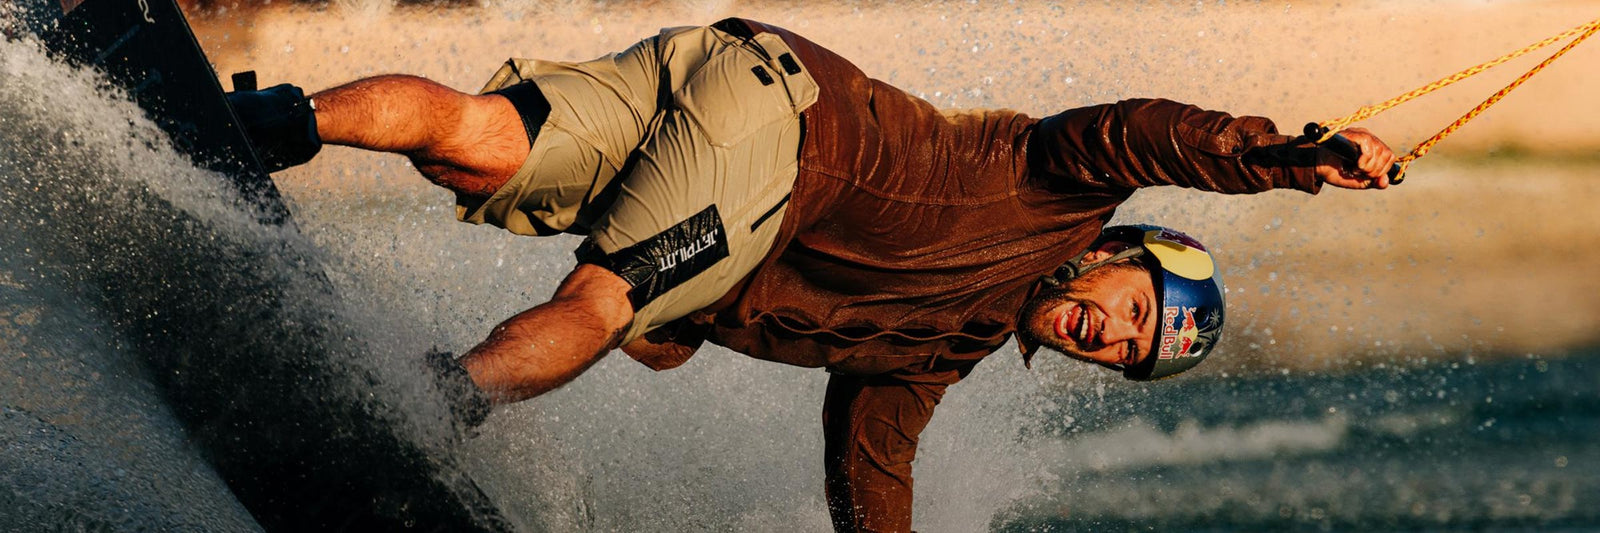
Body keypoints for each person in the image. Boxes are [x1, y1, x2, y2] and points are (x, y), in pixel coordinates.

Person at [228, 18, 1396, 532]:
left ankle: (271, 124)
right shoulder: (1058, 189)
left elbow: (870, 477)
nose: (1108, 332)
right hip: (785, 140)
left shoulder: (930, 356)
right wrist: (1289, 158)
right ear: (1115, 254)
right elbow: (1143, 135)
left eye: (1125, 352)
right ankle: (428, 408)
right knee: (608, 299)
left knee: (479, 134)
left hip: (738, 66)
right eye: (1132, 308)